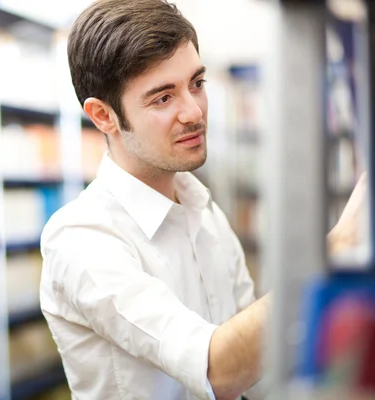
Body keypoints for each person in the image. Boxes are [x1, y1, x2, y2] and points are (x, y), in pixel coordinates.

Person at [39, 1, 367, 399]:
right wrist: (338, 244)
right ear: (103, 116)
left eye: (196, 83)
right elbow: (218, 370)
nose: (194, 112)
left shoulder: (202, 209)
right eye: (163, 98)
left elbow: (259, 367)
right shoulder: (80, 237)